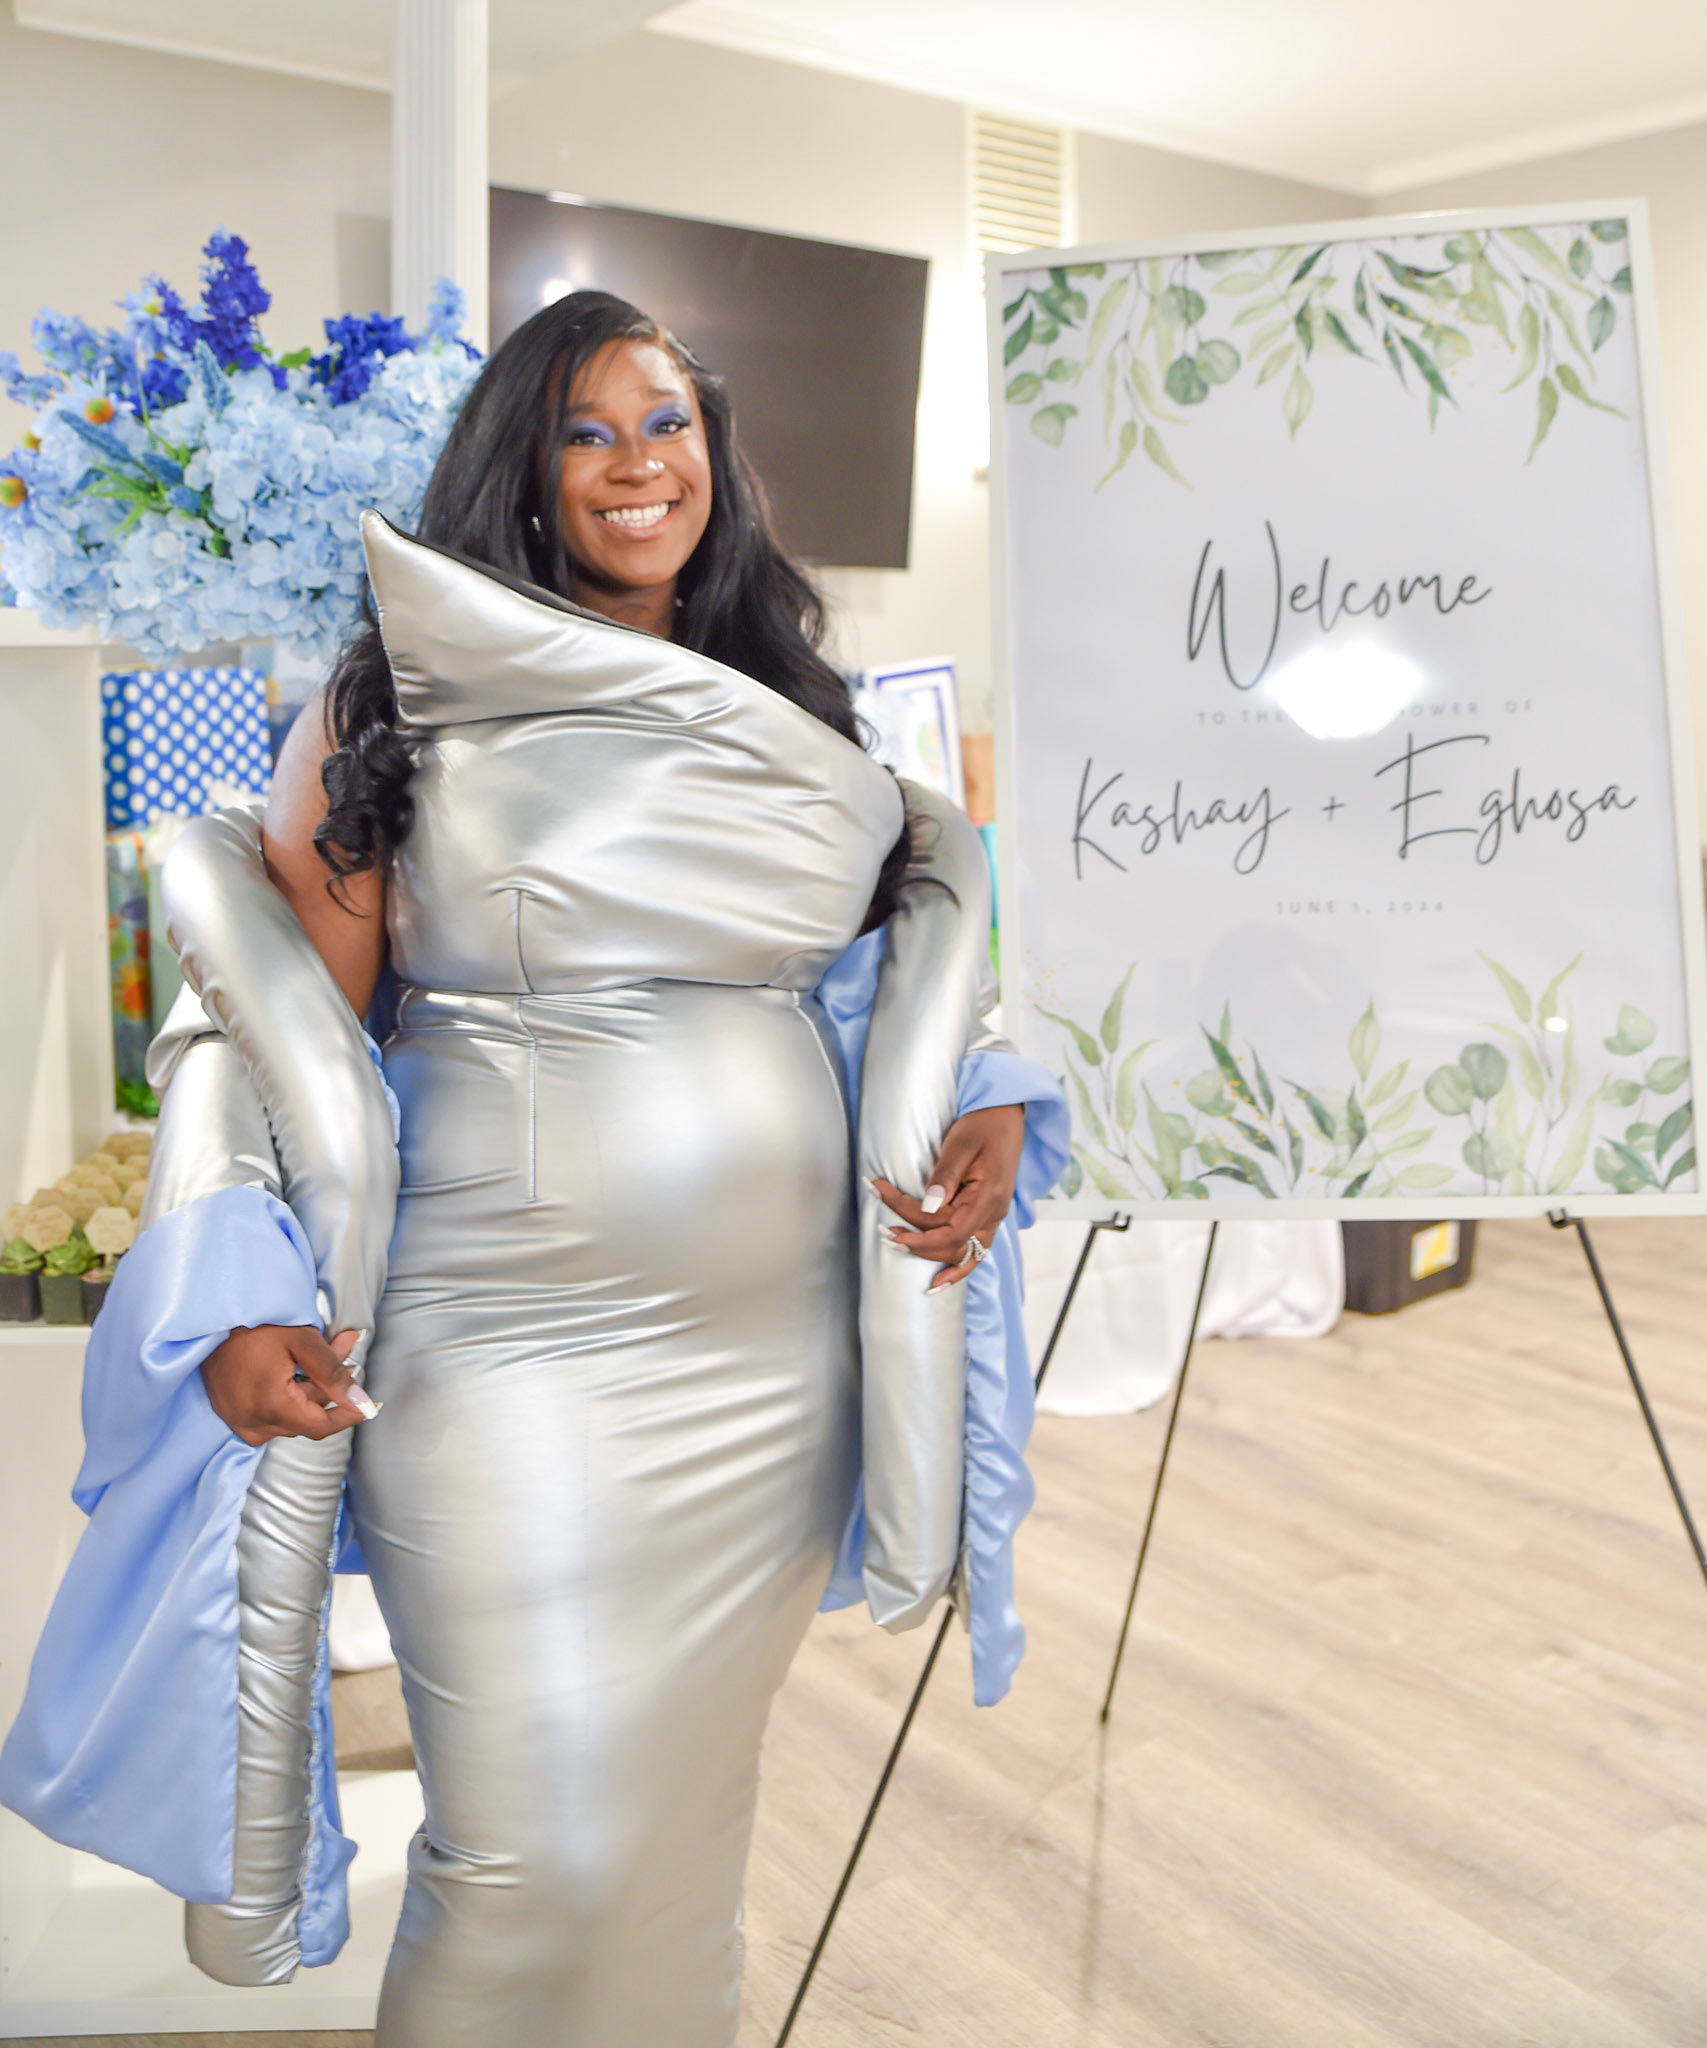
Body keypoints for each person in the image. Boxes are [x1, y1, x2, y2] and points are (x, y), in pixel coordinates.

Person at [0, 291, 1067, 2046]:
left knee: (675, 1837)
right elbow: (271, 1024)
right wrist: (238, 1290)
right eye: (588, 430)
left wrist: (991, 1099)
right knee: (531, 1858)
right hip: (497, 1348)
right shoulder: (396, 699)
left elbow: (879, 974)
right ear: (522, 463)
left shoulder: (788, 700)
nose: (640, 463)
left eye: (668, 421)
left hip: (771, 1363)